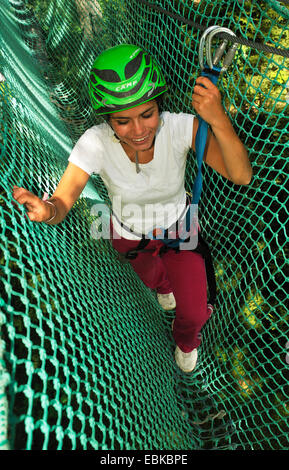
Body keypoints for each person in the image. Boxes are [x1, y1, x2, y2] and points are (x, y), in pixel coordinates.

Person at [12, 44, 252, 373]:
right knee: (154, 279)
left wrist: (218, 119)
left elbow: (240, 175)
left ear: (159, 107)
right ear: (107, 120)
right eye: (122, 121)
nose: (138, 130)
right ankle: (164, 287)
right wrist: (48, 210)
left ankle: (184, 340)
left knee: (195, 313)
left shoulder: (181, 128)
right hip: (128, 236)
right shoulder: (95, 143)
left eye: (147, 114)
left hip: (180, 232)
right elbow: (63, 200)